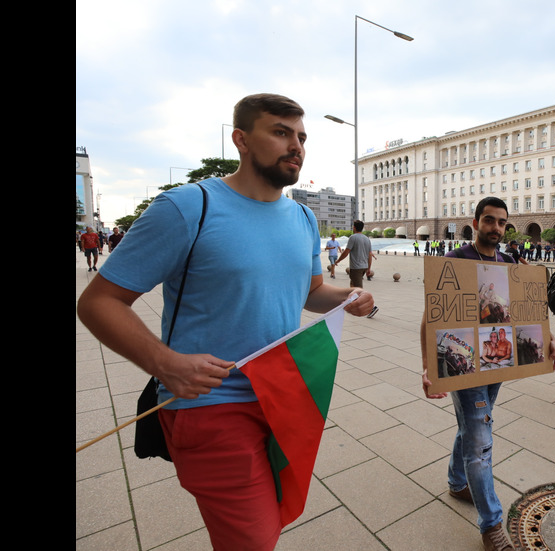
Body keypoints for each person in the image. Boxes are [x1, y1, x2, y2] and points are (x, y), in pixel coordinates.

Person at [75, 93, 375, 551]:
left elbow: (311, 293)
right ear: (241, 140)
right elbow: (99, 302)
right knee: (254, 539)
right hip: (210, 406)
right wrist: (165, 363)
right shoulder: (187, 207)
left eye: (301, 136)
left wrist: (347, 296)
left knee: (264, 524)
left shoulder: (303, 218)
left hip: (283, 396)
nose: (295, 145)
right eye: (279, 132)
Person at [421, 197, 555, 551]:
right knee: (480, 441)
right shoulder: (453, 261)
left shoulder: (510, 262)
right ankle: (492, 524)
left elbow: (528, 310)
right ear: (475, 222)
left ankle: (457, 482)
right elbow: (429, 319)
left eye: (501, 222)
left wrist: (549, 339)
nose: (495, 228)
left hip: (497, 361)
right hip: (465, 365)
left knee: (472, 425)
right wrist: (427, 366)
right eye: (489, 220)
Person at [336, 220, 372, 287]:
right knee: (352, 285)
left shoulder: (353, 237)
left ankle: (359, 297)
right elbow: (370, 254)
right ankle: (351, 297)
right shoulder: (367, 239)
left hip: (356, 267)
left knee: (358, 288)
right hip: (364, 266)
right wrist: (369, 268)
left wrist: (338, 260)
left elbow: (346, 252)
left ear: (354, 228)